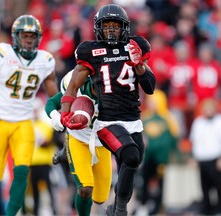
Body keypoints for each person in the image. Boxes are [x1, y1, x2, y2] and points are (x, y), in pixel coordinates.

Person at [59, 4, 156, 216]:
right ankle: (121, 210)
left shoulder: (135, 46)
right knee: (130, 155)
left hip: (133, 120)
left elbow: (150, 88)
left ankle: (114, 207)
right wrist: (65, 113)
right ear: (98, 28)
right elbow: (73, 86)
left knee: (131, 165)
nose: (111, 30)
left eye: (116, 26)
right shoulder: (90, 51)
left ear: (124, 28)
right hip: (107, 122)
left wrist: (139, 66)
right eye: (107, 26)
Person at [0, 15, 59, 216]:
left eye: (32, 36)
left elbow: (56, 94)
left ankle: (10, 214)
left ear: (38, 38)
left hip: (24, 122)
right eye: (25, 36)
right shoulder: (3, 53)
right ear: (15, 37)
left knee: (22, 170)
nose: (28, 40)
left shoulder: (45, 60)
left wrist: (68, 110)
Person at [45, 70, 112, 216]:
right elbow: (51, 103)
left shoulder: (114, 92)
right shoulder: (77, 87)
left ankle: (65, 152)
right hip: (78, 138)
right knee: (85, 188)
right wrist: (55, 116)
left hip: (101, 141)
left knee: (101, 198)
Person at [189, 98, 221, 215]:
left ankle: (220, 209)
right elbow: (194, 141)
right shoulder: (198, 122)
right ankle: (206, 209)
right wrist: (193, 157)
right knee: (204, 187)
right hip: (202, 159)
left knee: (218, 187)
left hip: (216, 159)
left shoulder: (220, 121)